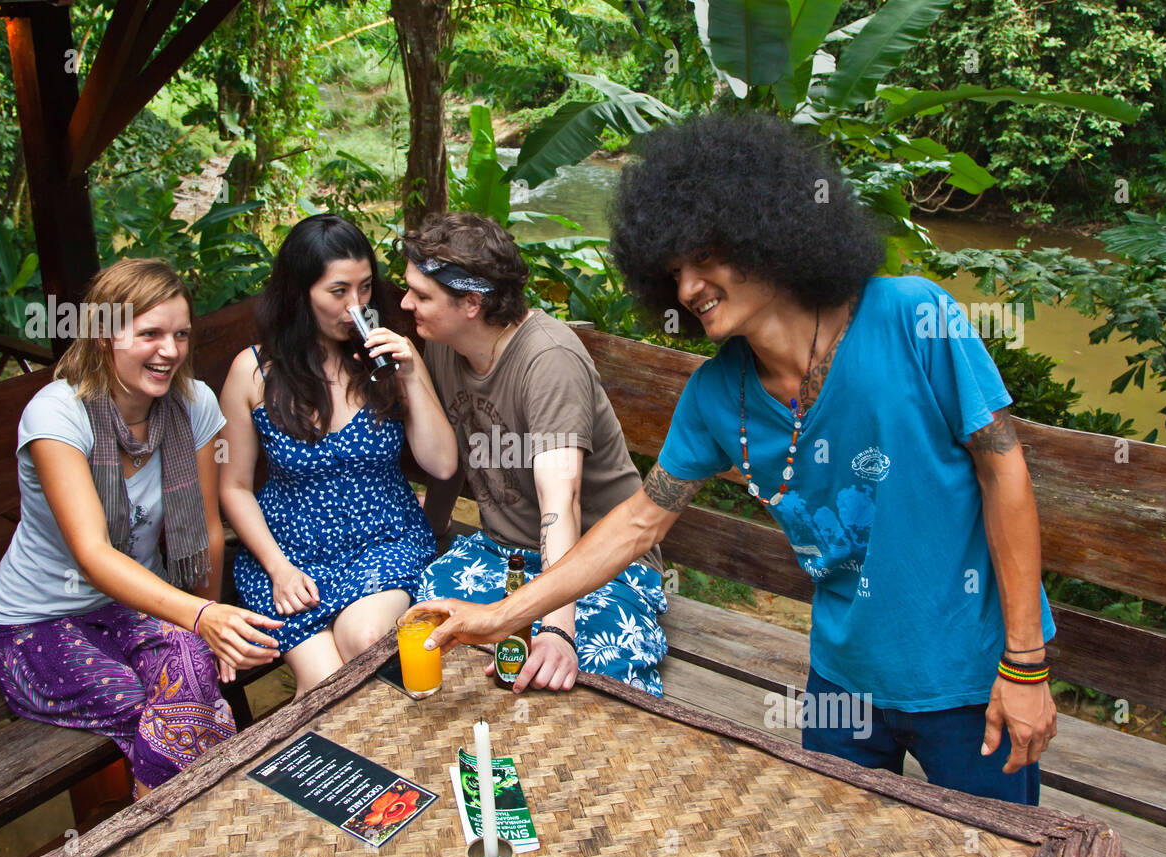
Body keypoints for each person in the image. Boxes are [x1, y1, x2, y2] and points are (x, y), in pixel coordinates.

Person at [419, 114, 1057, 806]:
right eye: (674, 273)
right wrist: (503, 616)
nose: (689, 288)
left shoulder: (911, 316)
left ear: (767, 229)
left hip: (968, 678)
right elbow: (637, 524)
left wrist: (1025, 664)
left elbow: (1004, 471)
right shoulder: (716, 395)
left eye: (704, 258)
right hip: (843, 682)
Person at [0, 258, 282, 798]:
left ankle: (177, 843)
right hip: (38, 624)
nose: (169, 350)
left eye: (180, 334)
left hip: (135, 609)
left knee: (194, 677)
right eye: (149, 333)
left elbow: (208, 532)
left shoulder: (192, 405)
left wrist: (204, 630)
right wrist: (202, 615)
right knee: (175, 719)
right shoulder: (58, 415)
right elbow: (92, 554)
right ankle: (173, 848)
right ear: (103, 337)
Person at [403, 212, 668, 695]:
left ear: (471, 302)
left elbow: (560, 501)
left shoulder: (548, 360)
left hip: (599, 563)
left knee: (582, 667)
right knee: (428, 627)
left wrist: (557, 630)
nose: (405, 304)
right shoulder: (444, 345)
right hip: (502, 555)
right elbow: (457, 452)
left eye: (422, 296)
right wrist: (434, 528)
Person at [219, 214, 457, 695]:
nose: (357, 306)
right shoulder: (254, 372)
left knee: (366, 639)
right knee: (325, 683)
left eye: (366, 288)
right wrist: (278, 568)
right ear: (299, 292)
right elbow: (234, 486)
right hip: (291, 558)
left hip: (384, 542)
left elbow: (443, 464)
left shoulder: (388, 357)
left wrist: (410, 374)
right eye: (338, 291)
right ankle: (342, 767)